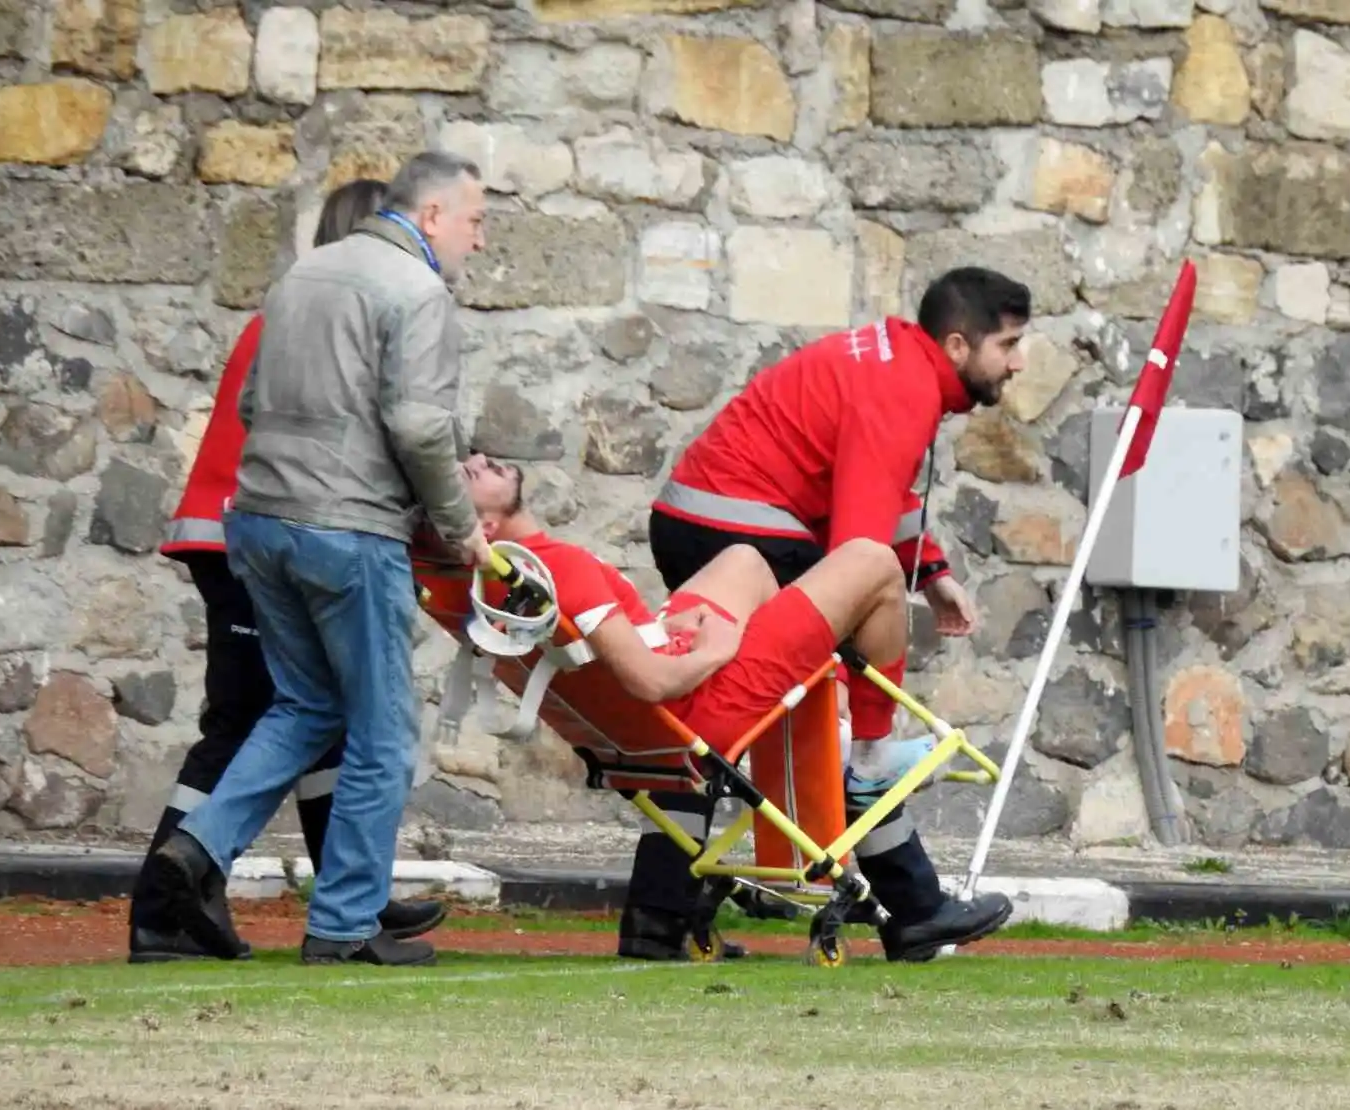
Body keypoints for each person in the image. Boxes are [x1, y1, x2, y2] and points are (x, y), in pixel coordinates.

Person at [451, 454, 1016, 963]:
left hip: (659, 711)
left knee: (744, 560)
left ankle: (657, 919)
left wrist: (670, 632)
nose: (476, 460)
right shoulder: (553, 570)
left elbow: (631, 661)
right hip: (700, 706)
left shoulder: (507, 580)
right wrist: (716, 648)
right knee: (874, 563)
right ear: (486, 525)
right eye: (466, 475)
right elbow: (649, 682)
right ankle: (869, 765)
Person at [152, 152, 494, 968]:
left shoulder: (305, 277)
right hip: (349, 532)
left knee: (303, 707)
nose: (480, 242)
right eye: (477, 222)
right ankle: (343, 927)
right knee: (381, 732)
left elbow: (247, 404)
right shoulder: (417, 291)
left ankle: (198, 847)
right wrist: (461, 528)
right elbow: (418, 427)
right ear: (436, 214)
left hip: (261, 525)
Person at [631, 266, 1033, 960]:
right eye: (1010, 345)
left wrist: (931, 571)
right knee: (805, 686)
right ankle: (884, 812)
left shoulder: (895, 362)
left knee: (710, 724)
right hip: (745, 533)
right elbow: (863, 549)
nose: (1019, 363)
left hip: (698, 521)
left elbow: (870, 480)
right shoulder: (904, 389)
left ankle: (657, 921)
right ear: (961, 345)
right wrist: (871, 664)